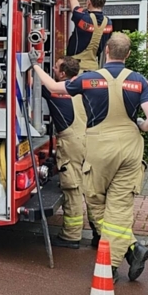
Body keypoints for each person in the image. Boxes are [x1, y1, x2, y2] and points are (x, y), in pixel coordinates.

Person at [34, 32, 148, 282]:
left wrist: (35, 65)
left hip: (100, 148)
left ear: (106, 51)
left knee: (96, 202)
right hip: (131, 148)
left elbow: (53, 87)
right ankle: (130, 250)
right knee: (120, 207)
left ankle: (116, 261)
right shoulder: (139, 81)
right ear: (128, 54)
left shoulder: (90, 79)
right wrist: (139, 125)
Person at [40, 57, 86, 248]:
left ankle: (71, 235)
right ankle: (99, 233)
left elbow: (38, 83)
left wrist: (33, 65)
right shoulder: (83, 90)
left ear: (63, 73)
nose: (53, 68)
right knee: (90, 189)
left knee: (72, 188)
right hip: (89, 140)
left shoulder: (56, 92)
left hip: (71, 144)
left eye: (56, 67)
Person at [67, 0, 112, 71]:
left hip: (74, 68)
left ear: (88, 2)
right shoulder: (109, 23)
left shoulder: (82, 17)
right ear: (103, 3)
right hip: (94, 68)